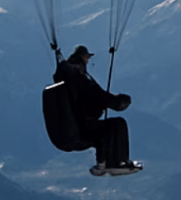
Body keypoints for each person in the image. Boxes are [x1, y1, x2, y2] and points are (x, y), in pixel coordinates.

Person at [53, 45, 138, 175]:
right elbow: (105, 99)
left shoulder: (66, 81)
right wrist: (123, 101)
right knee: (118, 124)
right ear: (83, 58)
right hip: (82, 129)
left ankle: (103, 164)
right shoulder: (82, 82)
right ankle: (116, 163)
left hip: (68, 132)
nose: (88, 62)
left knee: (110, 127)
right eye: (87, 58)